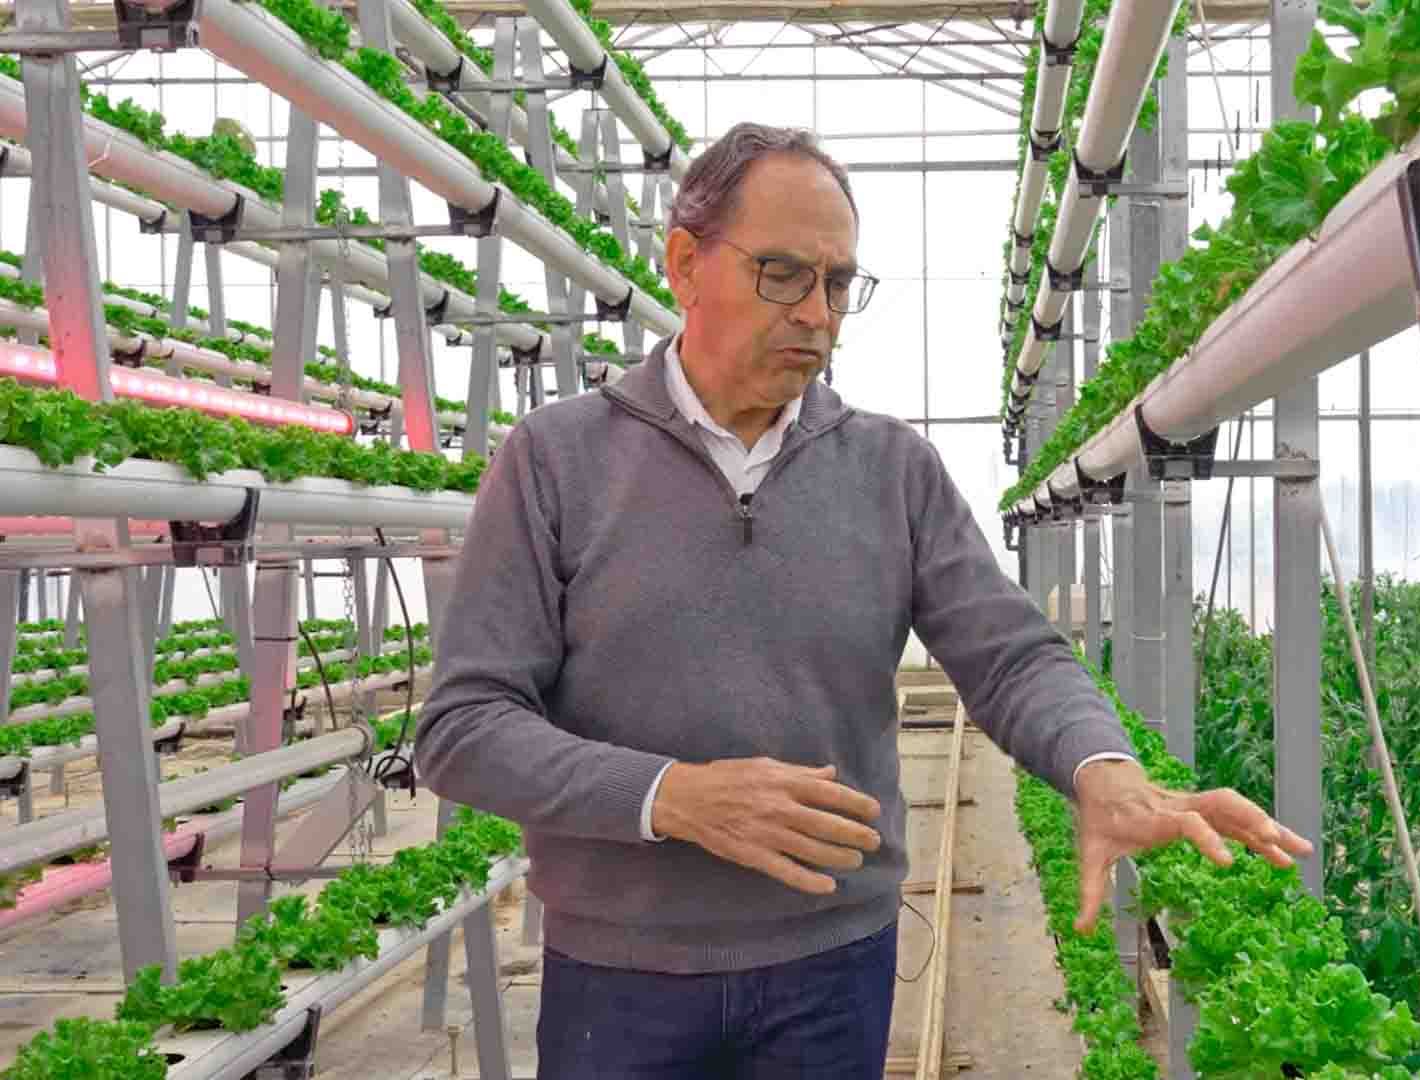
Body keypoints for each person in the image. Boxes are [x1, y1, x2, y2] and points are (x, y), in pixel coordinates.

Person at [414, 121, 1312, 1080]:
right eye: (783, 274)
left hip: (832, 967)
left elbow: (1011, 655)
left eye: (838, 284)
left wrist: (1102, 767)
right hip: (620, 976)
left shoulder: (891, 468)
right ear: (684, 264)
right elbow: (464, 728)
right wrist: (671, 797)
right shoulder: (556, 461)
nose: (818, 313)